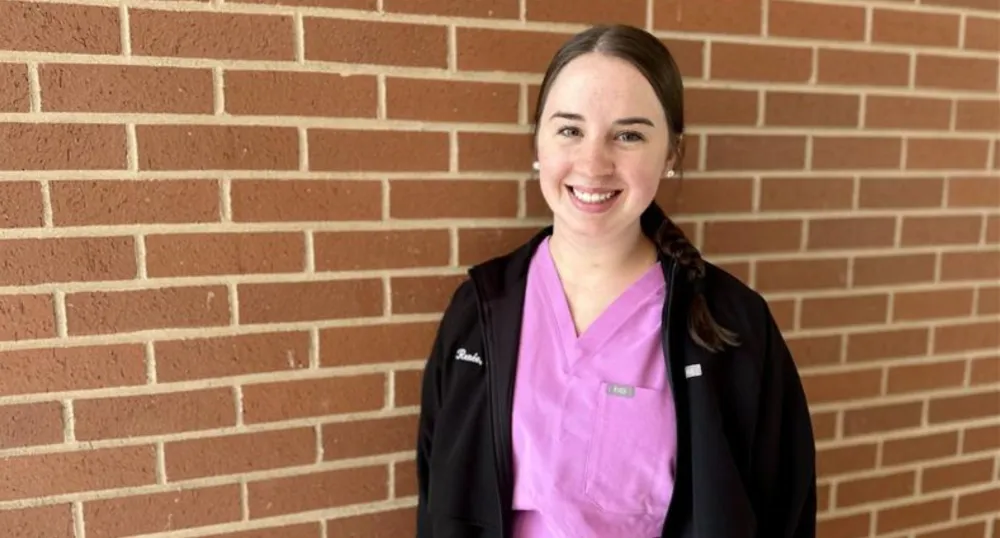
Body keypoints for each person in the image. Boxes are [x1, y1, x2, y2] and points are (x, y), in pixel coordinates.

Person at [414, 23, 816, 538]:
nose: (593, 163)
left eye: (628, 135)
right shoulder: (480, 309)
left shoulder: (732, 326)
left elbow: (784, 509)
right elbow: (436, 496)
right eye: (570, 130)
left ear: (671, 153)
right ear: (537, 141)